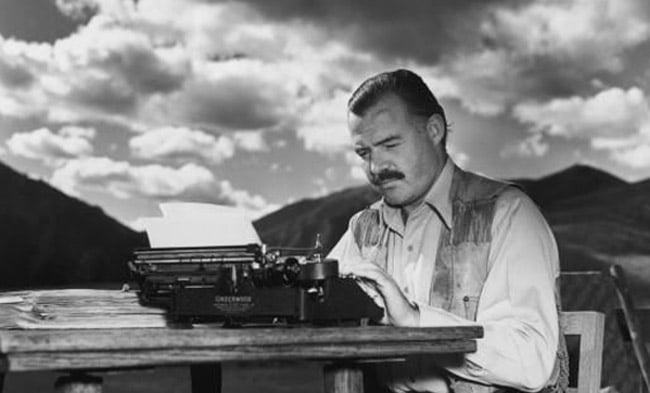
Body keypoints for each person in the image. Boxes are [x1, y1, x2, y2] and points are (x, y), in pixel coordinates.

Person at [328, 69, 567, 393]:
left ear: (434, 129)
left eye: (389, 144)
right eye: (364, 153)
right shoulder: (363, 228)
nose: (375, 167)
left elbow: (532, 361)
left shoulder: (508, 213)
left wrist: (416, 322)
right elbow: (315, 307)